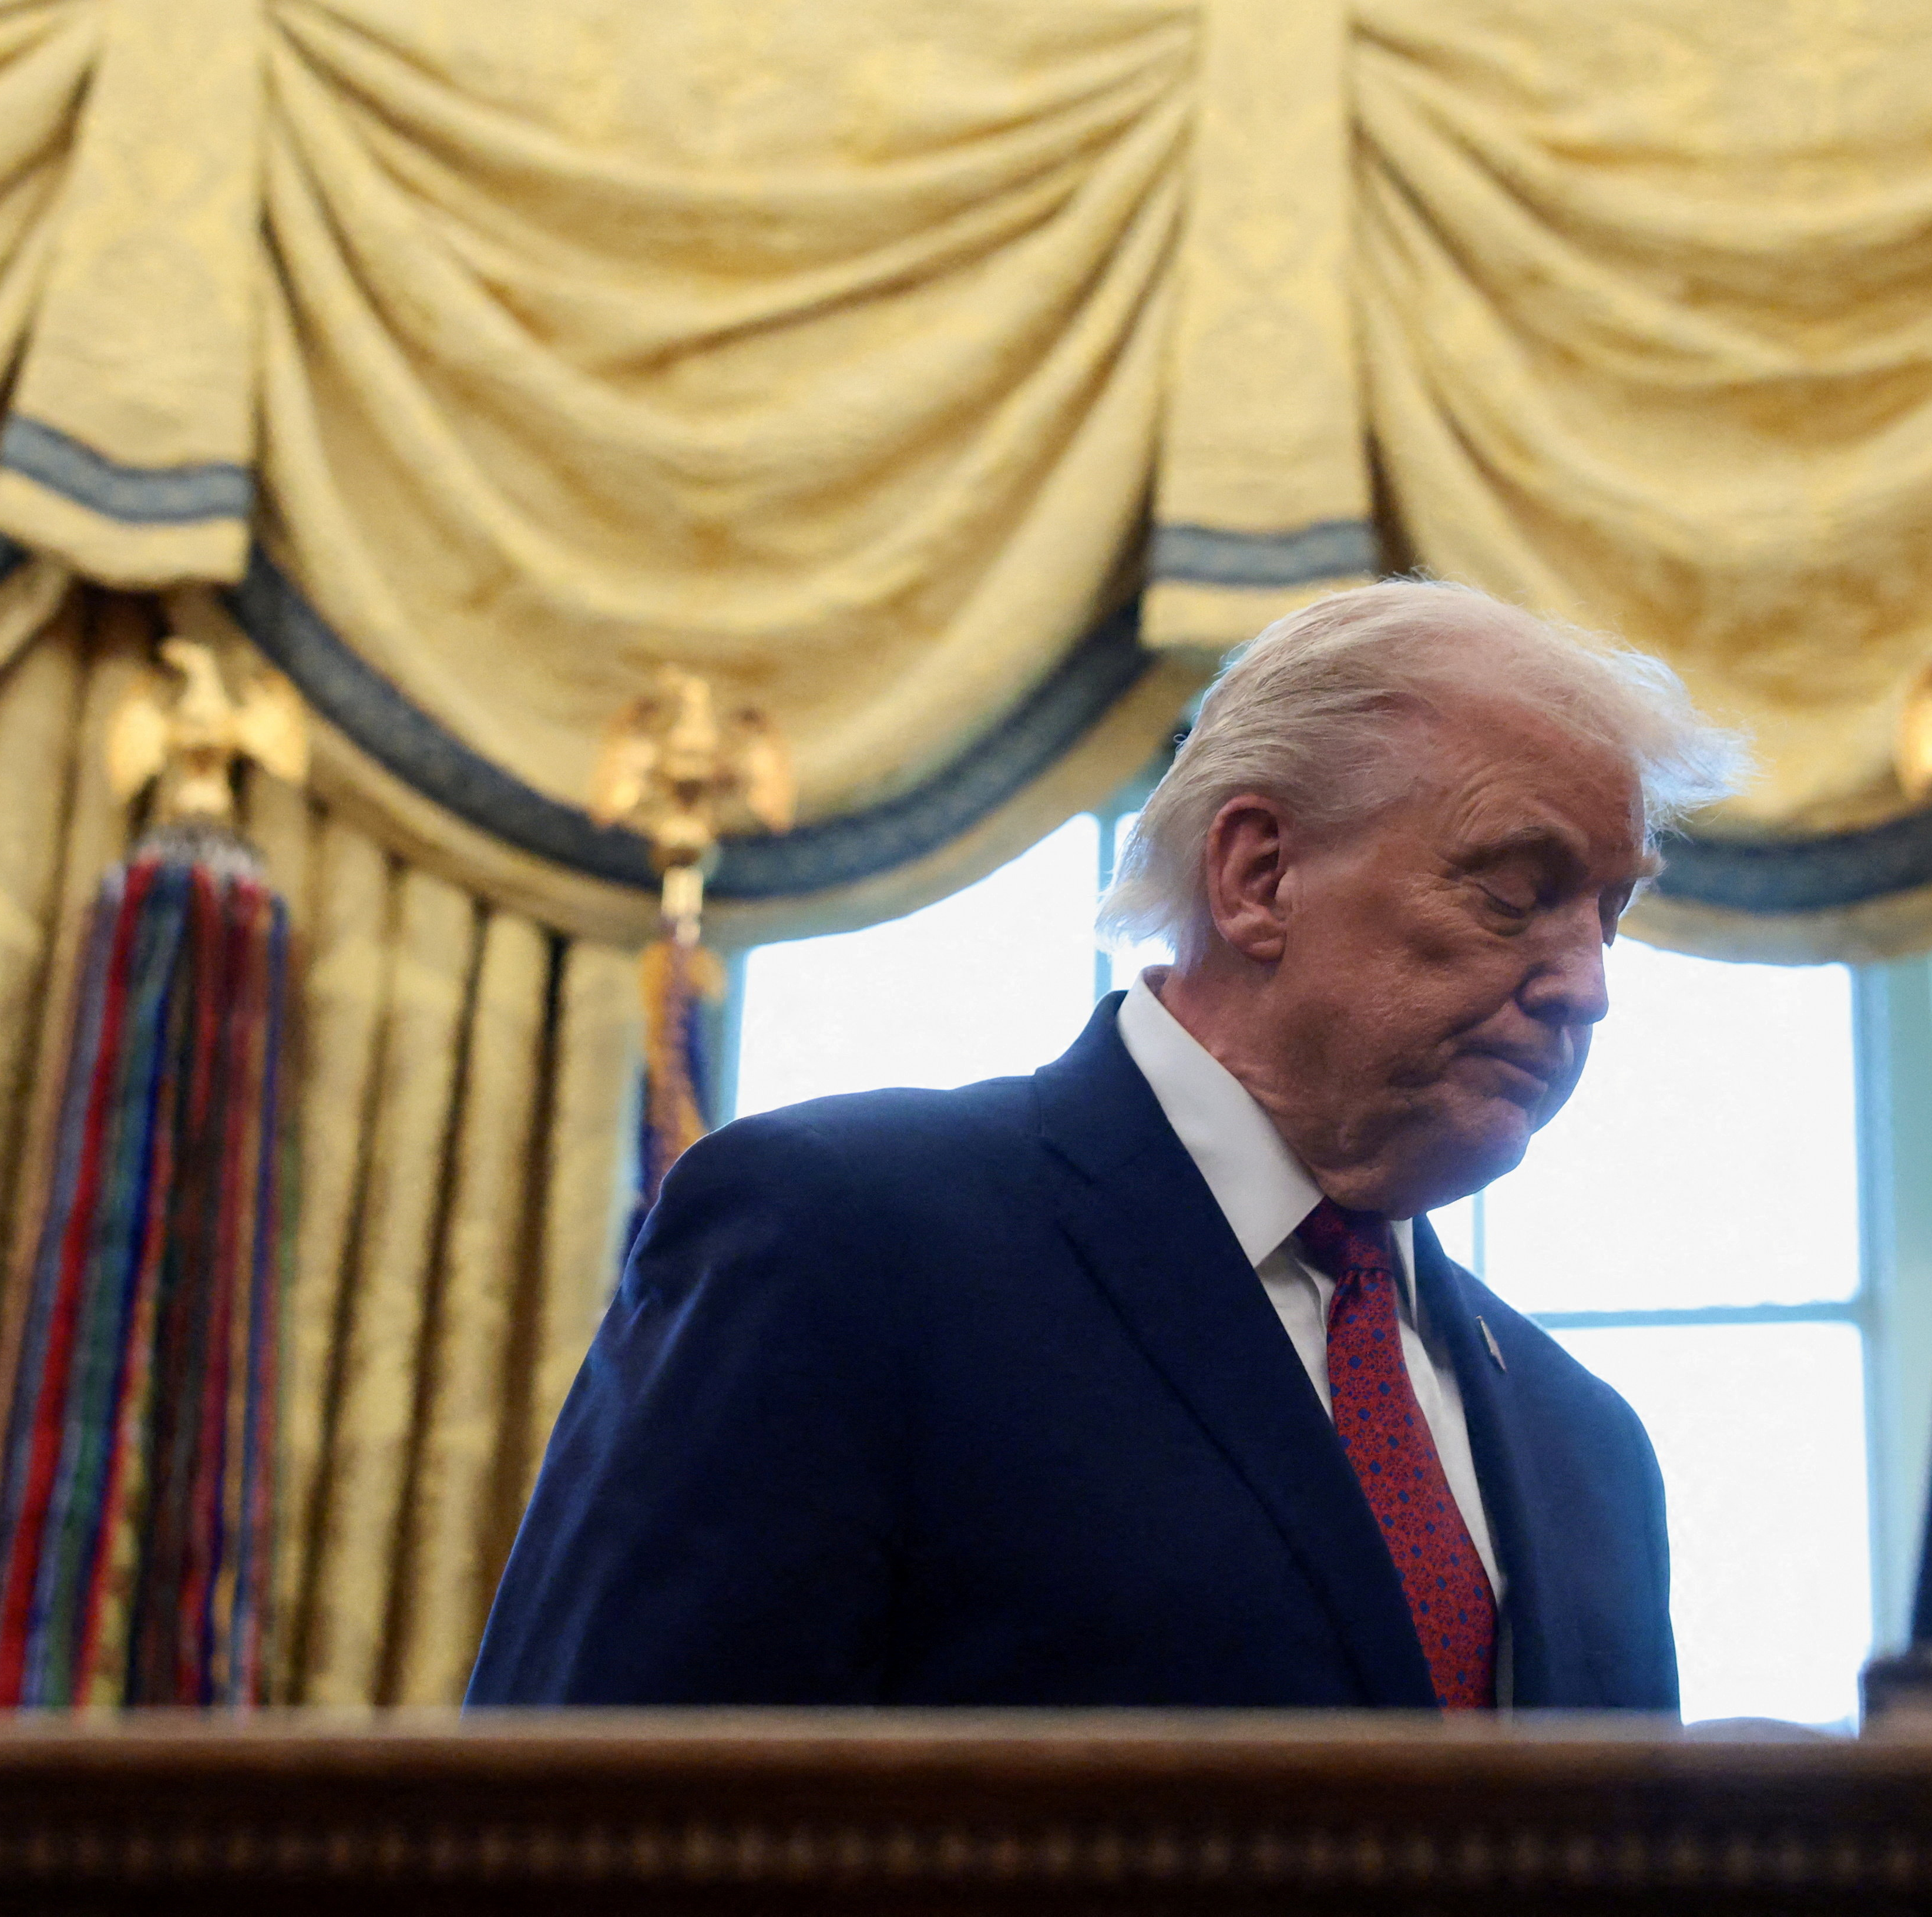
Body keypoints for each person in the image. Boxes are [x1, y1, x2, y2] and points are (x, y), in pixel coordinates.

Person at [465, 578, 1746, 1713]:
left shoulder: (1588, 1448)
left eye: (1608, 916)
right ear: (1258, 875)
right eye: (1513, 892)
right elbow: (573, 1843)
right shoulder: (839, 1243)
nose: (1584, 986)